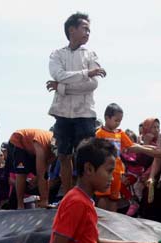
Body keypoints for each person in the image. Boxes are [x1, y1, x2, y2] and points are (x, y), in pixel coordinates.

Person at [46, 12, 105, 196]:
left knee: (85, 157)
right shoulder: (57, 54)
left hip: (85, 114)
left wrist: (61, 88)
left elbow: (93, 84)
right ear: (72, 30)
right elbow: (59, 75)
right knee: (63, 155)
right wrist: (86, 73)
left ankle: (85, 196)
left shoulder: (91, 54)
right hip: (62, 113)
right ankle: (69, 196)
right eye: (84, 28)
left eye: (89, 30)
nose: (88, 33)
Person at [94, 103, 152, 212]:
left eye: (120, 121)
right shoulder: (99, 133)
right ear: (107, 118)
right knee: (103, 196)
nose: (118, 123)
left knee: (114, 198)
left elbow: (131, 146)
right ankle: (102, 220)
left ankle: (113, 222)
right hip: (103, 170)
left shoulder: (120, 133)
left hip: (116, 170)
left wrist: (148, 148)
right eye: (116, 120)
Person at [7, 129, 56, 209]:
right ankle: (20, 204)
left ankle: (45, 200)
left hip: (31, 147)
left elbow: (46, 169)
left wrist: (37, 178)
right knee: (22, 172)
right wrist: (39, 177)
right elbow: (41, 173)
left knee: (45, 175)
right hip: (18, 140)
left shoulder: (57, 148)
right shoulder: (41, 146)